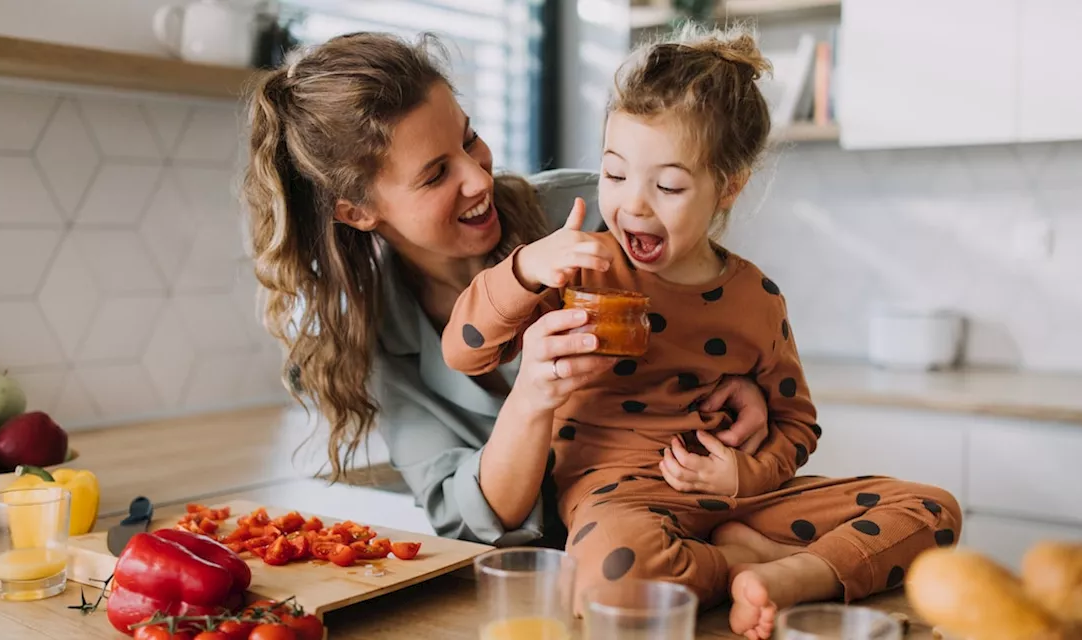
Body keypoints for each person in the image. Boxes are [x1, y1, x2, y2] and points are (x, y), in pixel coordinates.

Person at [439, 25, 961, 639]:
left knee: (933, 510)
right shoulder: (581, 263)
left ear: (727, 187)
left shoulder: (756, 298)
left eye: (667, 186)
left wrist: (747, 477)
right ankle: (745, 566)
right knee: (605, 582)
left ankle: (794, 575)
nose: (632, 204)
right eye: (614, 174)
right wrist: (524, 268)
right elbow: (464, 352)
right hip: (621, 500)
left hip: (745, 502)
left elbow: (797, 425)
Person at [240, 31, 773, 554]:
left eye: (469, 139)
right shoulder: (379, 332)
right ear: (357, 211)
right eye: (435, 175)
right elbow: (467, 519)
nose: (477, 177)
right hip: (574, 566)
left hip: (698, 513)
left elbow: (720, 303)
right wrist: (534, 398)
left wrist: (746, 384)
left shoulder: (594, 206)